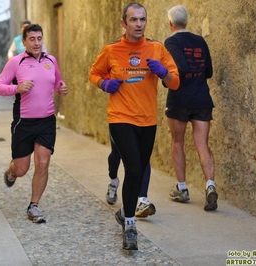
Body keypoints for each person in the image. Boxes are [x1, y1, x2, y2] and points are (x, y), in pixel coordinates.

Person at [89, 2, 179, 250]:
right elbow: (94, 73)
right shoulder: (111, 50)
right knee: (133, 166)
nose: (139, 24)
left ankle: (124, 212)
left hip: (147, 120)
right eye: (134, 20)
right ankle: (130, 226)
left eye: (142, 20)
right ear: (123, 23)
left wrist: (163, 73)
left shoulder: (157, 48)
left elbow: (175, 83)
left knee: (138, 171)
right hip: (120, 117)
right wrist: (104, 84)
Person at [0, 23, 68, 224]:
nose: (36, 42)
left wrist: (61, 88)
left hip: (46, 121)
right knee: (22, 169)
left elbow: (57, 82)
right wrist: (17, 88)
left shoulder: (51, 60)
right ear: (24, 41)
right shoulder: (16, 62)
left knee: (43, 163)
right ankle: (11, 172)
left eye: (39, 38)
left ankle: (34, 206)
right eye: (32, 39)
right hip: (23, 122)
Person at [164, 5, 218, 211]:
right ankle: (210, 185)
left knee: (177, 142)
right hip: (201, 99)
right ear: (186, 21)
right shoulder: (200, 41)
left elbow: (181, 68)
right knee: (202, 145)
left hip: (179, 99)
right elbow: (209, 71)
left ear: (171, 23)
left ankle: (182, 188)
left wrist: (165, 78)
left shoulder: (171, 41)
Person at [107, 138, 156, 218]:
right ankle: (113, 181)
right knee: (116, 154)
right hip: (120, 126)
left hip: (141, 125)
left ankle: (142, 199)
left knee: (143, 156)